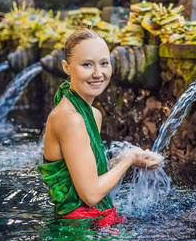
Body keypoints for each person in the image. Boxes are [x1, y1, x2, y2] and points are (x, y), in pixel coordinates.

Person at [39, 28, 162, 226]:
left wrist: (129, 159)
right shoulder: (70, 119)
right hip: (77, 234)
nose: (98, 73)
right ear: (67, 67)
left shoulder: (93, 114)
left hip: (97, 221)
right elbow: (90, 195)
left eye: (104, 63)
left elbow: (89, 174)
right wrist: (129, 159)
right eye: (87, 64)